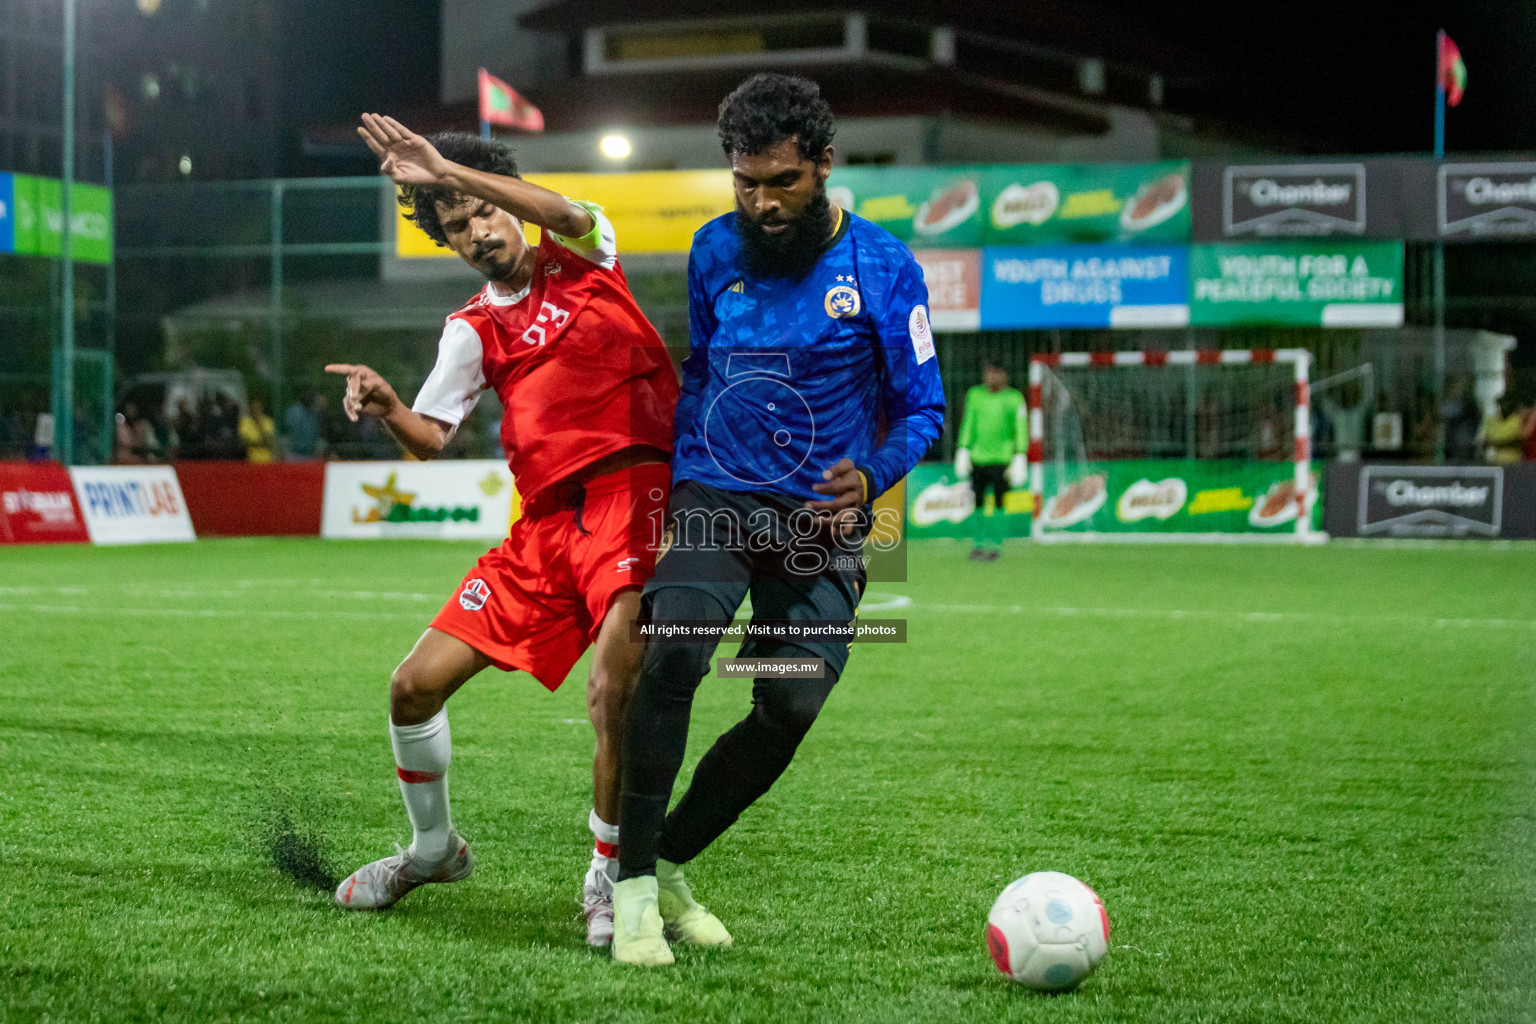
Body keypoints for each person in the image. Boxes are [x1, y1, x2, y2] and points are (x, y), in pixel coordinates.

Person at [610, 74, 945, 966]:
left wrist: (869, 478)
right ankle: (631, 889)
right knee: (675, 649)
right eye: (746, 182)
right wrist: (682, 479)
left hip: (821, 523)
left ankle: (671, 857)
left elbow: (924, 412)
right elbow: (703, 367)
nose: (762, 203)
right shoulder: (712, 250)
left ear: (825, 167)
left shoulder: (885, 266)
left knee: (790, 704)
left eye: (783, 183)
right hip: (717, 496)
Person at [328, 114, 679, 950]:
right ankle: (432, 849)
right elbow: (432, 437)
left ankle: (607, 875)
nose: (478, 232)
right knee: (411, 687)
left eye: (482, 212)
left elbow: (561, 210)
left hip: (634, 497)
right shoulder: (470, 329)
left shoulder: (586, 254)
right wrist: (389, 411)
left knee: (614, 690)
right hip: (543, 530)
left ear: (503, 203)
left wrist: (447, 168)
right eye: (456, 228)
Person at [954, 361, 1025, 561]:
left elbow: (1020, 427)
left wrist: (1020, 454)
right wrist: (963, 448)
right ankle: (978, 543)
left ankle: (996, 545)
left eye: (996, 373)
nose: (992, 377)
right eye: (989, 373)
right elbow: (968, 422)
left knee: (1000, 502)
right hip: (978, 458)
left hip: (1003, 458)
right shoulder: (975, 395)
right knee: (977, 501)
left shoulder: (1014, 398)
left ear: (1004, 375)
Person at [1477, 394, 1524, 464]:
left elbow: (1516, 441)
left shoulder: (1517, 420)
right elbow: (1481, 441)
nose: (1503, 406)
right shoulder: (1490, 420)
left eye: (1507, 404)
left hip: (1512, 463)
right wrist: (1498, 443)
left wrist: (1493, 443)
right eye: (1501, 404)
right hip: (1491, 462)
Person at [239, 399, 277, 463]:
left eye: (258, 408)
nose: (256, 410)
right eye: (254, 408)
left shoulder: (268, 421)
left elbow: (269, 441)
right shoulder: (245, 422)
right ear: (250, 409)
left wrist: (259, 424)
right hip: (251, 461)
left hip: (267, 460)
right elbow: (244, 441)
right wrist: (261, 442)